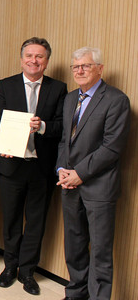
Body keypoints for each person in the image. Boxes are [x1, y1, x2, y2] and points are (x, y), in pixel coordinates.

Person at [0, 37, 67, 295]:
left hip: (41, 168)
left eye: (40, 56)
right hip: (11, 165)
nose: (34, 60)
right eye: (30, 56)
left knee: (36, 222)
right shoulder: (6, 85)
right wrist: (3, 147)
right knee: (11, 220)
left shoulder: (58, 88)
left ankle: (27, 271)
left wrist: (43, 126)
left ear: (47, 61)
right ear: (21, 59)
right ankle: (10, 266)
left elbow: (62, 126)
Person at [56, 47, 130, 300]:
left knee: (100, 250)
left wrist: (79, 173)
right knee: (74, 245)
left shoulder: (116, 100)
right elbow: (64, 140)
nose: (79, 71)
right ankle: (76, 292)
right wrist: (62, 170)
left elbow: (112, 147)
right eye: (75, 67)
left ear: (99, 68)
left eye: (85, 66)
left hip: (99, 187)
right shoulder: (69, 99)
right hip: (69, 185)